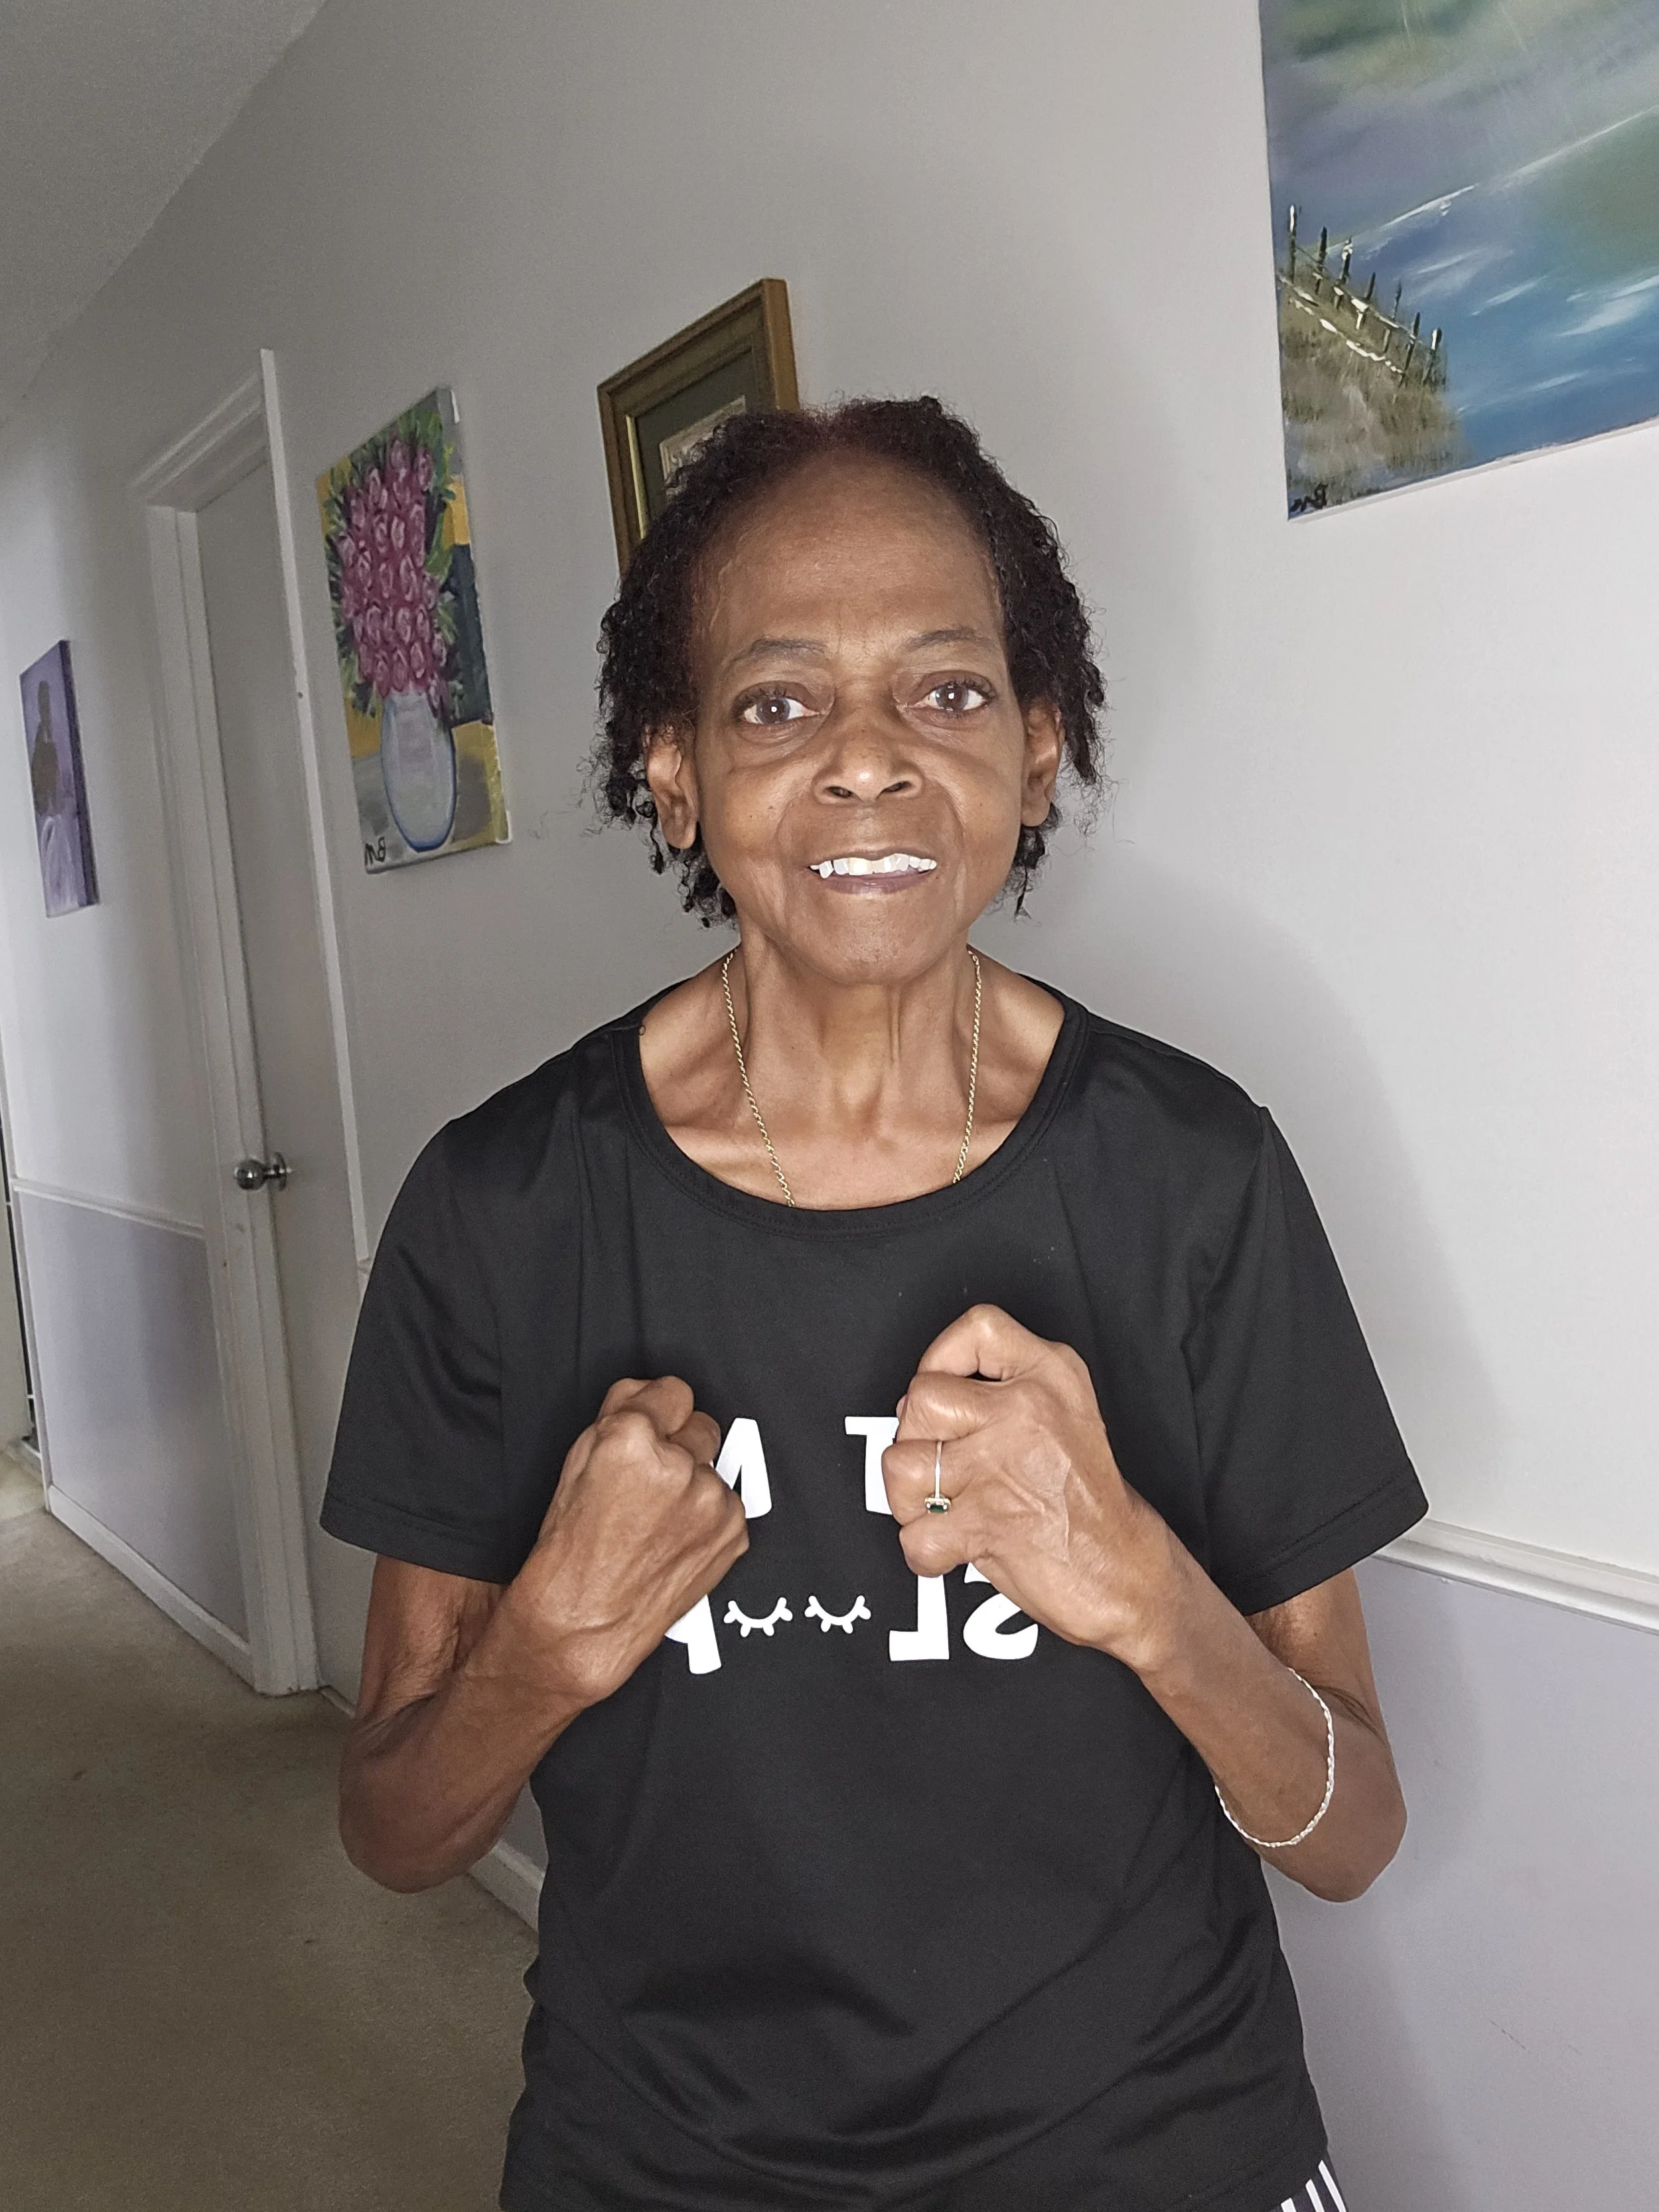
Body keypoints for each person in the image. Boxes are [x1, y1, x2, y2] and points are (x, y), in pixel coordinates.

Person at [322, 397, 1425, 2212]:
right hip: (663, 2161)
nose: (867, 759)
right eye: (777, 704)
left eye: (946, 689)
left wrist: (1142, 1590)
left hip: (1155, 2150)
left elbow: (1350, 1831)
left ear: (1038, 748)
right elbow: (392, 1829)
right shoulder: (503, 1206)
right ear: (673, 770)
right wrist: (546, 1649)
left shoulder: (1192, 1175)